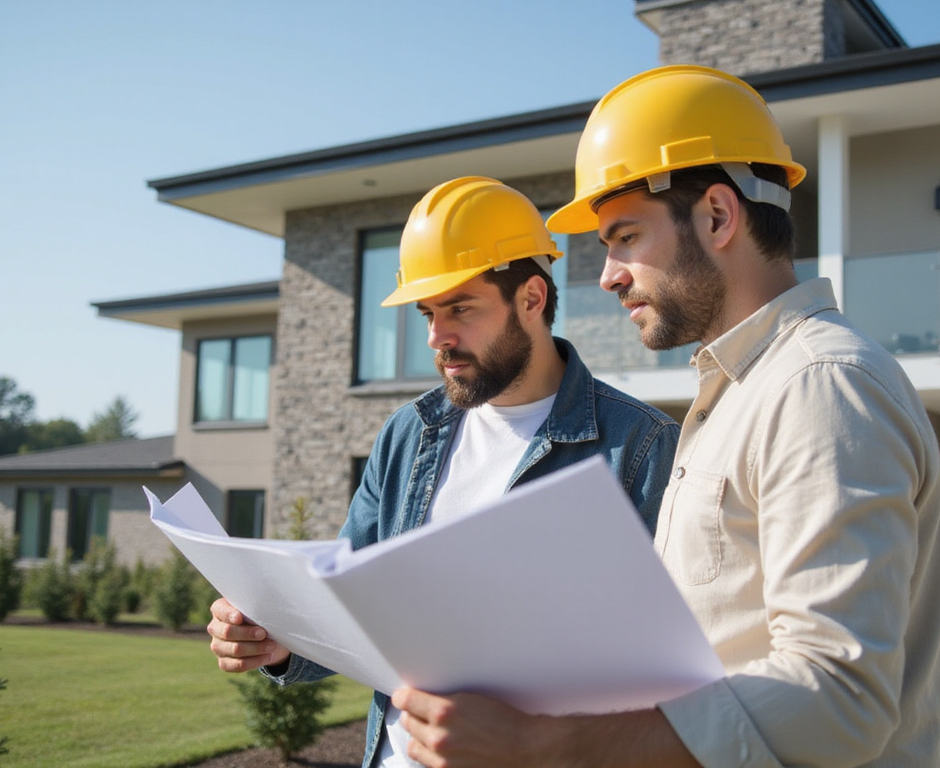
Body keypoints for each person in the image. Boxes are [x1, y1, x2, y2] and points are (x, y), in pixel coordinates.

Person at [389, 66, 940, 767]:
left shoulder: (820, 386)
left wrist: (542, 745)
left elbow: (838, 699)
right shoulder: (741, 391)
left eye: (625, 237)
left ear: (717, 216)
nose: (607, 275)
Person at [206, 175, 681, 768]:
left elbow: (663, 667)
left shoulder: (640, 445)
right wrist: (277, 640)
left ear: (532, 299)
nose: (437, 337)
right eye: (428, 312)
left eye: (460, 308)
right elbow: (349, 604)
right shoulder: (408, 435)